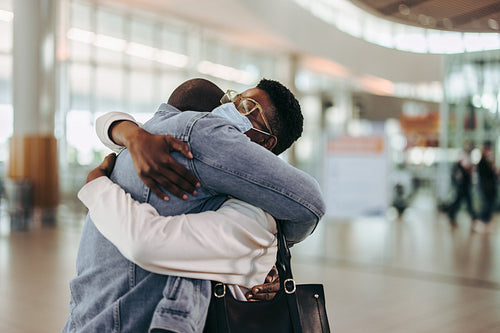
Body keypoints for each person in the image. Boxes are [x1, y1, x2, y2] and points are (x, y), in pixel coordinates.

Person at [63, 78, 325, 333]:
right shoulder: (162, 143)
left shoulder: (250, 212)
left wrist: (97, 188)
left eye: (248, 108)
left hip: (92, 315)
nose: (232, 108)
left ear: (266, 143)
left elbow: (310, 202)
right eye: (236, 98)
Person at [447, 148, 476, 227]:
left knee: (467, 204)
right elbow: (457, 178)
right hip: (461, 188)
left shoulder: (466, 166)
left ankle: (474, 219)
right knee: (459, 203)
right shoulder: (458, 166)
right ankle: (451, 215)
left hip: (465, 188)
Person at [474, 141, 497, 233]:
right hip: (485, 187)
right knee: (486, 204)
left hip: (490, 188)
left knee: (490, 204)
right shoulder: (482, 162)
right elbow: (484, 176)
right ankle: (481, 221)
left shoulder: (489, 161)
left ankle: (486, 221)